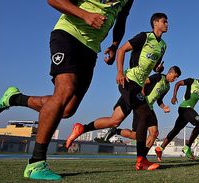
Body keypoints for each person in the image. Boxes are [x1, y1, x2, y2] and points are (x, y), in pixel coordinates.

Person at [0, 0, 133, 180]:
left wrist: (115, 45)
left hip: (91, 49)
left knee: (67, 109)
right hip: (67, 35)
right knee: (65, 90)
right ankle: (36, 163)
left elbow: (121, 19)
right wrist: (85, 15)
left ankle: (14, 98)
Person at [65, 13, 169, 170]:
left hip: (137, 85)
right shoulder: (144, 37)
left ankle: (82, 128)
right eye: (164, 21)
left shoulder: (163, 46)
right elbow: (121, 50)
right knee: (145, 112)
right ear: (155, 23)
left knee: (115, 120)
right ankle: (141, 159)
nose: (167, 24)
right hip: (128, 81)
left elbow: (152, 65)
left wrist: (158, 68)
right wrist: (120, 71)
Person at [103, 66, 181, 152]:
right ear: (170, 73)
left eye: (177, 77)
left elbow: (159, 101)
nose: (175, 79)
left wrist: (164, 107)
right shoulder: (158, 77)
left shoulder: (167, 87)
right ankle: (116, 131)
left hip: (150, 108)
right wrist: (142, 91)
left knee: (154, 133)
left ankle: (143, 157)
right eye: (175, 76)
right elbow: (144, 81)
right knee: (136, 135)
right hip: (141, 105)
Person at [155, 73, 199, 161]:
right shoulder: (192, 81)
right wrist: (174, 96)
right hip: (184, 108)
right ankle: (187, 147)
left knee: (176, 130)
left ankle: (160, 148)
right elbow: (178, 84)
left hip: (188, 111)